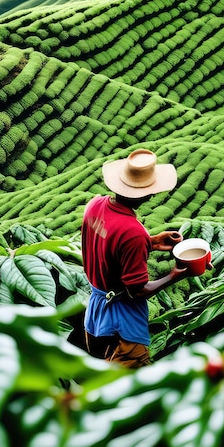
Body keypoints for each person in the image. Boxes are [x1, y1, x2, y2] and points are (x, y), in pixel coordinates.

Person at [80, 148, 195, 368]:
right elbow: (137, 290)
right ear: (148, 194)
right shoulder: (132, 232)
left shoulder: (95, 205)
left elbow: (107, 243)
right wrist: (176, 275)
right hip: (122, 320)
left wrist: (151, 241)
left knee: (98, 370)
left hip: (95, 309)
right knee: (127, 384)